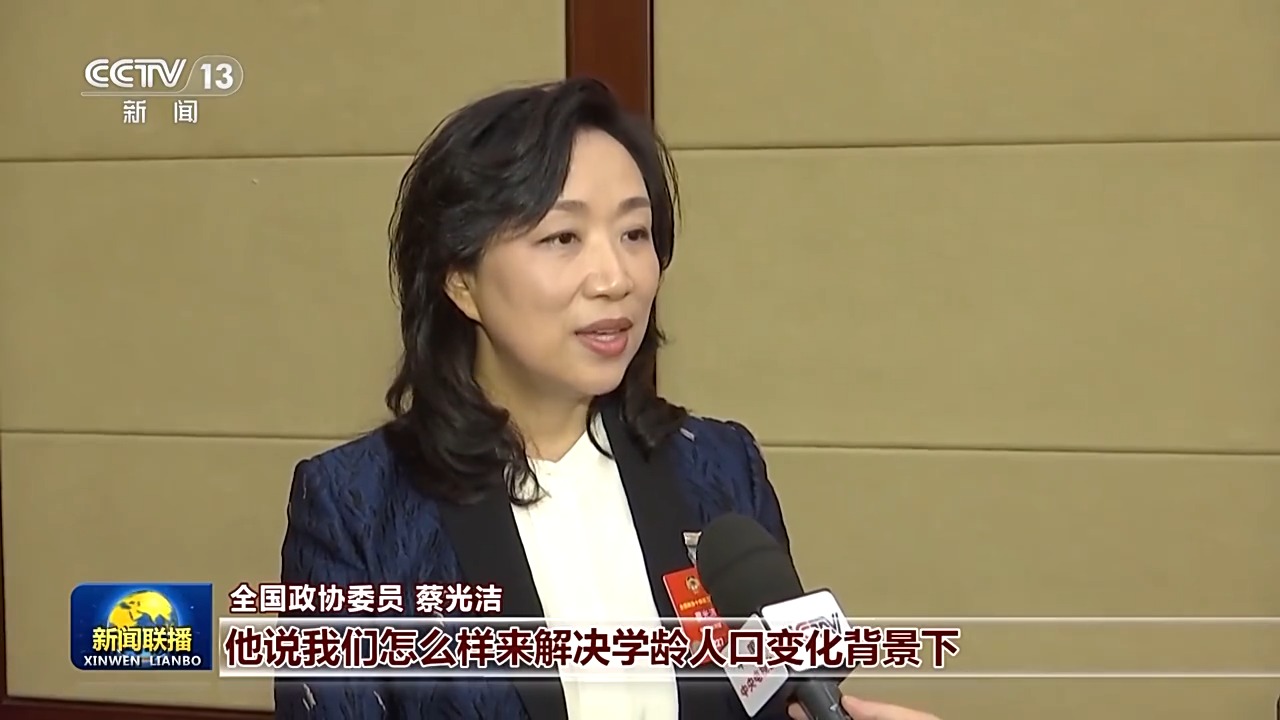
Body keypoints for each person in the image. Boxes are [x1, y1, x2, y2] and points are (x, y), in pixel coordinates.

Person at [275, 78, 940, 720]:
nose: (616, 278)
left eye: (635, 234)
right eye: (562, 238)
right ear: (461, 280)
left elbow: (775, 700)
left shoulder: (718, 469)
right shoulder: (356, 507)